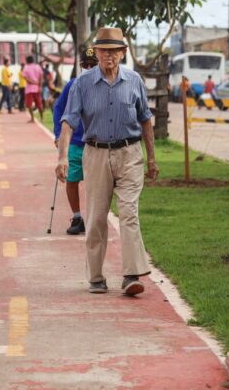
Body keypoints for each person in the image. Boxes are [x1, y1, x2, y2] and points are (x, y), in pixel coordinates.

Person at [57, 27, 159, 296]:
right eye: (103, 50)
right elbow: (68, 121)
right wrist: (62, 157)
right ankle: (96, 276)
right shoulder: (82, 83)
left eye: (114, 51)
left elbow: (146, 119)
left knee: (129, 213)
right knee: (96, 218)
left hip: (130, 153)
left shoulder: (135, 80)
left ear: (123, 53)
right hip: (97, 154)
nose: (108, 56)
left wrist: (152, 159)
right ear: (97, 53)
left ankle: (131, 275)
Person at [53, 47, 99, 235]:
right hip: (75, 143)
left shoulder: (104, 85)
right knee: (71, 180)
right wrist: (58, 134)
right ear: (80, 66)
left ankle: (95, 219)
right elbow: (58, 109)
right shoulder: (72, 84)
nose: (88, 68)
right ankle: (77, 217)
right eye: (85, 65)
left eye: (92, 65)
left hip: (97, 145)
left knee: (96, 184)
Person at [21, 56, 44, 122]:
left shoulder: (26, 67)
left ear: (27, 61)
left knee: (28, 104)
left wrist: (34, 82)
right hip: (37, 88)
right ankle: (42, 118)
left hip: (29, 89)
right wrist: (40, 86)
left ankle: (32, 118)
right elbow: (41, 76)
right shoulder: (38, 67)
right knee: (39, 104)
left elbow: (26, 78)